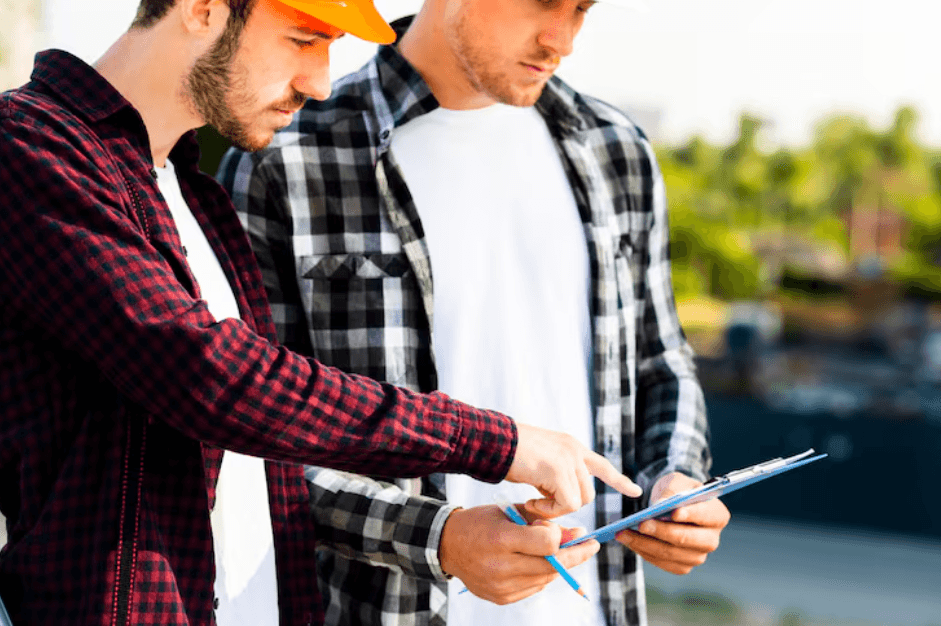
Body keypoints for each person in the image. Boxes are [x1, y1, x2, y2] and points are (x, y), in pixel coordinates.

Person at [0, 1, 646, 625]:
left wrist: (441, 530)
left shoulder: (193, 197)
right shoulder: (28, 148)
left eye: (331, 48)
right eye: (303, 40)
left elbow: (279, 441)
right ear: (201, 8)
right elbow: (215, 378)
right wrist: (493, 441)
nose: (318, 82)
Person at [218, 0, 732, 625]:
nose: (561, 39)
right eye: (543, 3)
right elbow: (250, 436)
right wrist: (441, 539)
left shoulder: (615, 150)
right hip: (385, 608)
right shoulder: (289, 157)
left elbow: (661, 358)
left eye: (581, 9)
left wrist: (677, 479)